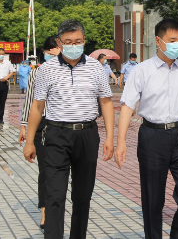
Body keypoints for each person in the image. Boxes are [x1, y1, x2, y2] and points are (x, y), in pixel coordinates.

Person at [23, 20, 115, 239]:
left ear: (84, 41)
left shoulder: (95, 68)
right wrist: (28, 140)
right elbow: (37, 106)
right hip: (56, 135)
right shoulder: (46, 69)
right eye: (68, 42)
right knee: (54, 195)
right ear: (59, 42)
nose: (73, 45)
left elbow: (106, 103)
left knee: (83, 196)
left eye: (78, 41)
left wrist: (111, 137)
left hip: (87, 134)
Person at [114, 18, 178, 239]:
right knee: (153, 199)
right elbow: (126, 107)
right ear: (158, 40)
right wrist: (121, 141)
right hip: (152, 136)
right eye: (172, 40)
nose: (177, 44)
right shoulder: (142, 71)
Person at [19, 36, 60, 230]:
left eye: (56, 50)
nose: (52, 54)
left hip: (62, 125)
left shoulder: (71, 70)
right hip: (41, 125)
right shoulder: (37, 73)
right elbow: (30, 101)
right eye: (49, 51)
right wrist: (24, 126)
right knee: (45, 170)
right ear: (44, 52)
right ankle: (44, 211)